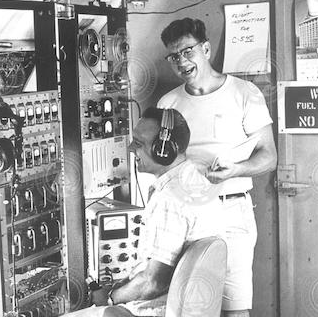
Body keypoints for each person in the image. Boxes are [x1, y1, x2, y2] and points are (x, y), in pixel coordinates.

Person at [157, 18, 277, 317]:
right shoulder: (167, 104)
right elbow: (160, 163)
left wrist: (234, 169)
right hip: (185, 217)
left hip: (231, 211)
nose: (181, 62)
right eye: (173, 57)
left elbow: (269, 156)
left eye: (187, 51)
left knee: (235, 311)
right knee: (188, 309)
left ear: (206, 49)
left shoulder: (244, 92)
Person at [66, 107, 224, 317]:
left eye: (138, 143)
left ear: (164, 150)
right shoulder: (197, 182)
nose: (130, 148)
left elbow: (153, 282)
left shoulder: (170, 199)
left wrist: (110, 297)